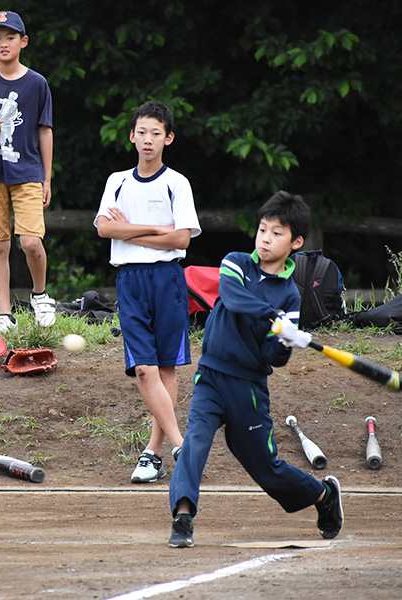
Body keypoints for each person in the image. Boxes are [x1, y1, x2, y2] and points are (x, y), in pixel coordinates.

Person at [167, 191, 343, 548]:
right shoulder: (235, 263)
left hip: (248, 387)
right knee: (194, 443)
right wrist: (274, 318)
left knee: (265, 468)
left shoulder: (290, 297)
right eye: (263, 229)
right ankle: (183, 516)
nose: (265, 237)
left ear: (295, 242)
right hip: (211, 377)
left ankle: (323, 495)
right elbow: (232, 298)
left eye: (277, 233)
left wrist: (284, 341)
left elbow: (274, 360)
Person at [94, 101, 201, 483]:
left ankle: (152, 453)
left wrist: (134, 231)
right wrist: (156, 230)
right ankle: (180, 444)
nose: (148, 140)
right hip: (130, 281)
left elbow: (182, 238)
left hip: (168, 279)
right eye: (142, 132)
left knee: (165, 367)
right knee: (143, 369)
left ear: (168, 138)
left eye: (156, 133)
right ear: (132, 136)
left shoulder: (178, 183)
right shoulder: (117, 180)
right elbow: (105, 230)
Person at [0, 10, 56, 336]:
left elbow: (45, 131)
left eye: (11, 37)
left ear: (23, 41)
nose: (4, 44)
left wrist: (47, 178)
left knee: (31, 242)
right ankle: (5, 315)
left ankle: (40, 295)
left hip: (28, 171)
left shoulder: (37, 83)